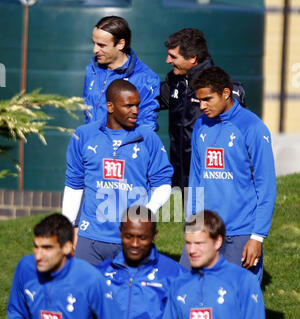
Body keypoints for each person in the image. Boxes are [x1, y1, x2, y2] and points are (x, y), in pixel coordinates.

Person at [62, 79, 173, 266]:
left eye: (137, 105)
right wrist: (67, 229)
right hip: (90, 238)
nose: (136, 111)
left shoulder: (148, 138)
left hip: (131, 239)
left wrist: (147, 212)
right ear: (110, 106)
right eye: (128, 106)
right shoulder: (84, 135)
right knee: (85, 293)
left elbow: (162, 184)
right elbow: (74, 185)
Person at [181, 66, 276, 282]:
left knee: (237, 305)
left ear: (225, 93)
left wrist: (257, 237)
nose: (202, 106)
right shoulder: (200, 126)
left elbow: (266, 186)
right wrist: (192, 224)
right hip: (204, 229)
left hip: (241, 233)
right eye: (199, 100)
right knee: (185, 294)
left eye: (208, 99)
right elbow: (196, 179)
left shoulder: (253, 127)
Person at [160, 28, 245, 192]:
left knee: (207, 217)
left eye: (173, 56)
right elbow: (144, 100)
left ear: (193, 58)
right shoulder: (174, 82)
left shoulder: (224, 89)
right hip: (179, 179)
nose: (167, 60)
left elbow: (242, 134)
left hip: (212, 180)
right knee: (183, 216)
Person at [83, 15, 160, 130]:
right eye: (94, 43)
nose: (95, 50)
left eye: (101, 45)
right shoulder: (91, 70)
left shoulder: (146, 78)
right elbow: (88, 114)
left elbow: (146, 126)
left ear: (120, 44)